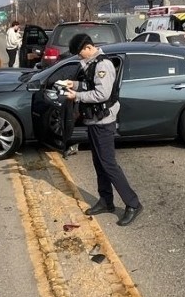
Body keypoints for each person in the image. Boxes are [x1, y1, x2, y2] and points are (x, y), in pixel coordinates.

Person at [60, 33, 143, 227]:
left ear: (89, 48)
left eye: (81, 54)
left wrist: (77, 96)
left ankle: (133, 203)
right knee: (99, 163)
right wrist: (75, 84)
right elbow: (91, 84)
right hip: (94, 120)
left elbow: (101, 93)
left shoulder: (103, 65)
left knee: (109, 164)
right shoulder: (92, 64)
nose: (80, 58)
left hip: (103, 121)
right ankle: (106, 200)